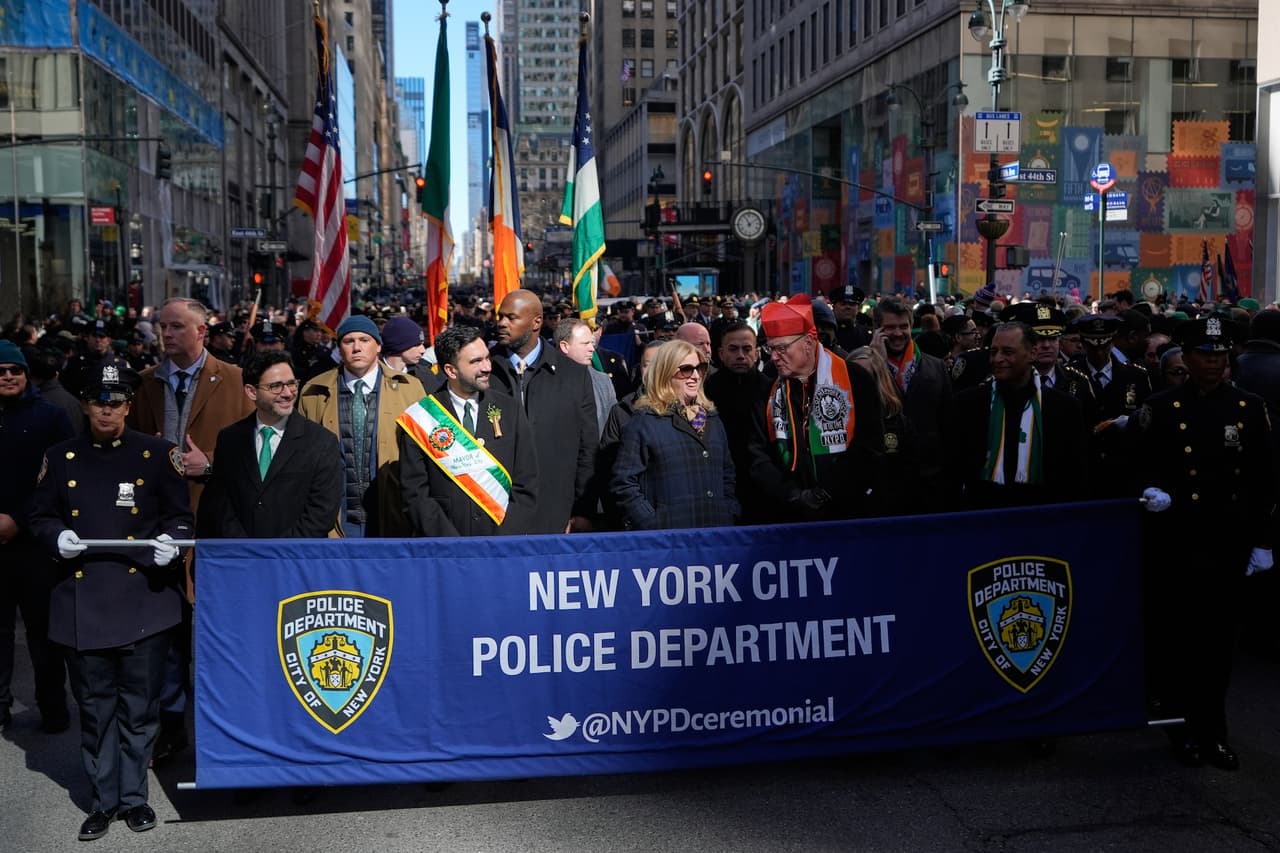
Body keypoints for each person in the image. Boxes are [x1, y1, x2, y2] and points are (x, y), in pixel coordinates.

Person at [27, 363, 193, 840]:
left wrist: (172, 544)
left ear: (127, 406)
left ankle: (135, 798)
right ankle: (103, 801)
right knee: (96, 707)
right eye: (98, 401)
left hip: (143, 598)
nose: (107, 409)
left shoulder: (157, 454)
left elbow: (181, 516)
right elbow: (40, 516)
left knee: (139, 708)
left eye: (116, 401)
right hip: (84, 599)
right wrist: (56, 537)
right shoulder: (60, 457)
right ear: (84, 404)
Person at [1135, 316, 1275, 771]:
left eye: (1220, 354)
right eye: (1204, 354)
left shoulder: (1248, 407)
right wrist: (1150, 489)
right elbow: (1139, 462)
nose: (1214, 363)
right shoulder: (1162, 407)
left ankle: (1213, 730)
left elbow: (1264, 478)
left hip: (1227, 539)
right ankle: (1182, 729)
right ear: (1188, 358)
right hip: (1178, 540)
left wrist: (1263, 540)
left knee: (1218, 643)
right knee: (1179, 640)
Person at [126, 296, 253, 759]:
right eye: (163, 326)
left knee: (221, 635)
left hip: (217, 524)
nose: (167, 334)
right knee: (167, 636)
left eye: (177, 326)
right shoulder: (145, 384)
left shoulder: (235, 380)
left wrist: (211, 463)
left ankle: (227, 730)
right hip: (160, 526)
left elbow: (259, 448)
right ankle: (170, 726)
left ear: (202, 331)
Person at [747, 294, 884, 521]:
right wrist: (793, 496)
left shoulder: (855, 378)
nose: (774, 357)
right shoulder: (768, 388)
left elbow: (869, 445)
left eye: (782, 348)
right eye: (771, 349)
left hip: (847, 512)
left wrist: (825, 493)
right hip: (789, 514)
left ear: (809, 343)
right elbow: (758, 455)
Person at [397, 325, 538, 537]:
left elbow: (526, 482)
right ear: (450, 370)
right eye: (476, 361)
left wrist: (505, 539)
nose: (487, 367)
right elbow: (415, 493)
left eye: (487, 358)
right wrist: (451, 544)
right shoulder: (422, 417)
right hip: (446, 544)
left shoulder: (510, 410)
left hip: (502, 542)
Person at [297, 314, 425, 537]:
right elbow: (302, 457)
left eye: (364, 340)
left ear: (378, 346)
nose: (357, 347)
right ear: (340, 348)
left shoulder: (411, 389)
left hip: (392, 516)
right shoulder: (313, 391)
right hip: (334, 520)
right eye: (349, 341)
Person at [0, 341, 72, 733]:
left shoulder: (51, 417)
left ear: (27, 374)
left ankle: (53, 707)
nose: (8, 377)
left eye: (15, 370)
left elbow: (59, 481)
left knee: (43, 634)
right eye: (1, 371)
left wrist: (18, 519)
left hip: (35, 544)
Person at [487, 289, 598, 534]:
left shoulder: (573, 375)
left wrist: (583, 510)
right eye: (500, 317)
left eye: (511, 318)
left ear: (536, 322)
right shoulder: (485, 372)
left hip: (556, 514)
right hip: (496, 514)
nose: (502, 323)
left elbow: (587, 448)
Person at [945, 322, 1088, 509]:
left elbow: (1075, 475)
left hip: (1045, 515)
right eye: (994, 351)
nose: (997, 359)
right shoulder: (968, 404)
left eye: (1007, 352)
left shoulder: (1064, 408)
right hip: (984, 516)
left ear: (1032, 354)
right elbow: (953, 471)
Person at [199, 352, 342, 539]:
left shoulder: (321, 442)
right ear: (251, 391)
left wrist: (277, 550)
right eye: (276, 386)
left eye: (292, 383)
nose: (287, 393)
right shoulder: (230, 439)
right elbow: (220, 503)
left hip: (295, 554)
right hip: (241, 553)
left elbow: (322, 512)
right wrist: (245, 548)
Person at [611, 339, 738, 529]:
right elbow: (623, 483)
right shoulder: (645, 422)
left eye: (700, 368)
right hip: (670, 537)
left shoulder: (712, 419)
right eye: (686, 369)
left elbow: (727, 474)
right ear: (665, 373)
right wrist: (653, 523)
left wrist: (729, 511)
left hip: (716, 533)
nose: (695, 376)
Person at [871, 296, 951, 504]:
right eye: (890, 327)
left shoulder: (936, 367)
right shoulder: (862, 367)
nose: (898, 333)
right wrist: (876, 364)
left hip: (929, 477)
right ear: (878, 330)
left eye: (903, 326)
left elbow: (948, 424)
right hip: (884, 478)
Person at [703, 322, 772, 524]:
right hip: (719, 486)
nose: (740, 355)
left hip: (765, 490)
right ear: (721, 354)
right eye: (733, 349)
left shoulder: (771, 390)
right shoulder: (706, 392)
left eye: (747, 349)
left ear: (757, 353)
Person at [849, 345, 920, 516]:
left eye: (865, 376)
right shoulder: (834, 423)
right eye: (852, 376)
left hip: (889, 512)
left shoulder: (898, 423)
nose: (858, 382)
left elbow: (909, 474)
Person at [556, 318, 616, 437]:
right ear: (565, 346)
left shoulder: (603, 381)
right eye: (585, 343)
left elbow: (613, 424)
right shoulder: (545, 381)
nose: (592, 349)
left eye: (591, 343)